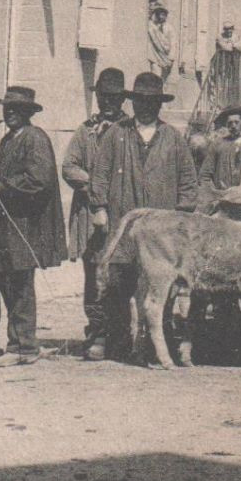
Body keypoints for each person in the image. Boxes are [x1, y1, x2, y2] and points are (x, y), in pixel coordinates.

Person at [88, 71, 198, 363]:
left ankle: (154, 343)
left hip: (162, 231)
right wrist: (99, 208)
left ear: (159, 105)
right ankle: (119, 342)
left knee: (160, 285)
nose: (145, 107)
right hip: (124, 222)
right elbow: (99, 174)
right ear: (132, 102)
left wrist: (181, 219)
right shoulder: (116, 134)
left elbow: (188, 182)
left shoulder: (173, 138)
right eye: (140, 101)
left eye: (151, 102)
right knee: (120, 283)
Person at [0, 88, 67, 368]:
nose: (10, 113)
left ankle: (24, 347)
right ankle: (16, 343)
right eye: (8, 108)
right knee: (8, 281)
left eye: (17, 109)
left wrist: (2, 186)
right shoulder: (7, 140)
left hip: (25, 224)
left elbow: (40, 179)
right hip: (6, 223)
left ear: (28, 112)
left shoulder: (35, 139)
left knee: (20, 284)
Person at [61, 68, 128, 360]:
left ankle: (123, 333)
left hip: (123, 213)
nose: (108, 102)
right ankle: (97, 332)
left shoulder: (130, 130)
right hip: (91, 215)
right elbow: (69, 166)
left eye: (114, 97)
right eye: (104, 96)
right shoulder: (85, 130)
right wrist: (95, 185)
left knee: (123, 274)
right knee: (94, 274)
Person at [198, 106, 241, 209]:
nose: (233, 126)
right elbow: (204, 175)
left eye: (236, 122)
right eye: (230, 123)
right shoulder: (218, 144)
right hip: (223, 198)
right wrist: (213, 194)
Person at [147, 2, 174, 83]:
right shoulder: (151, 26)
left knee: (163, 81)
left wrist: (170, 58)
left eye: (164, 14)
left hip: (166, 58)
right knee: (156, 78)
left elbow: (173, 43)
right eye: (159, 14)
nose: (162, 16)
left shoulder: (169, 28)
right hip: (155, 58)